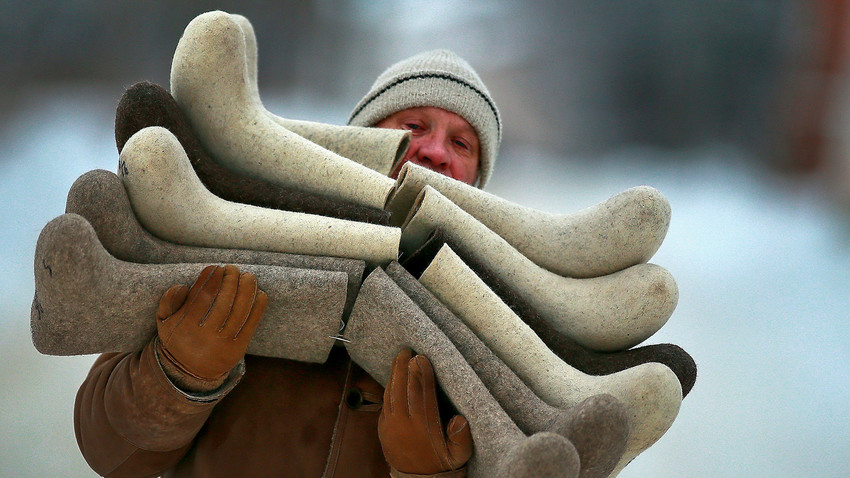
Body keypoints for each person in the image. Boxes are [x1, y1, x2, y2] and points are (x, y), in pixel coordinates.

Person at [74, 48, 501, 478]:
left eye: (461, 143)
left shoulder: (496, 326)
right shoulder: (232, 236)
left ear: (478, 182)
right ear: (359, 144)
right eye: (414, 126)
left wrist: (431, 476)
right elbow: (110, 454)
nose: (435, 152)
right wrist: (177, 375)